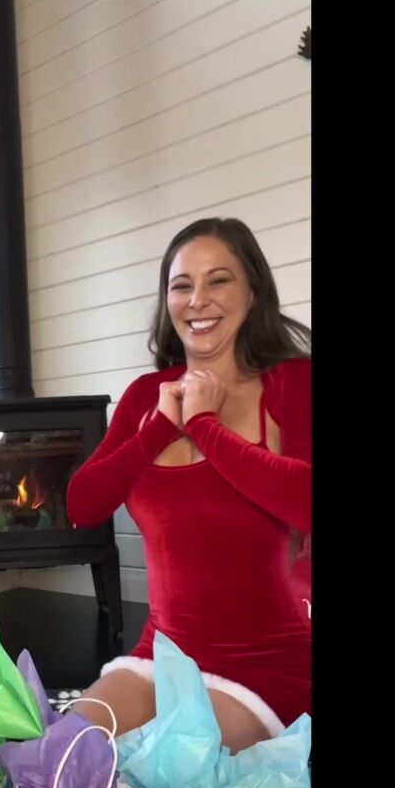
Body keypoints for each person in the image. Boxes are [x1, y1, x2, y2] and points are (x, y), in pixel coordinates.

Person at [66, 218, 311, 752]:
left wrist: (205, 426)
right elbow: (84, 505)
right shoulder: (146, 395)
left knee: (171, 769)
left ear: (253, 292)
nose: (198, 300)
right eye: (182, 286)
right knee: (65, 753)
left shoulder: (293, 382)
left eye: (218, 280)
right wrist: (161, 426)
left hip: (268, 666)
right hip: (164, 653)